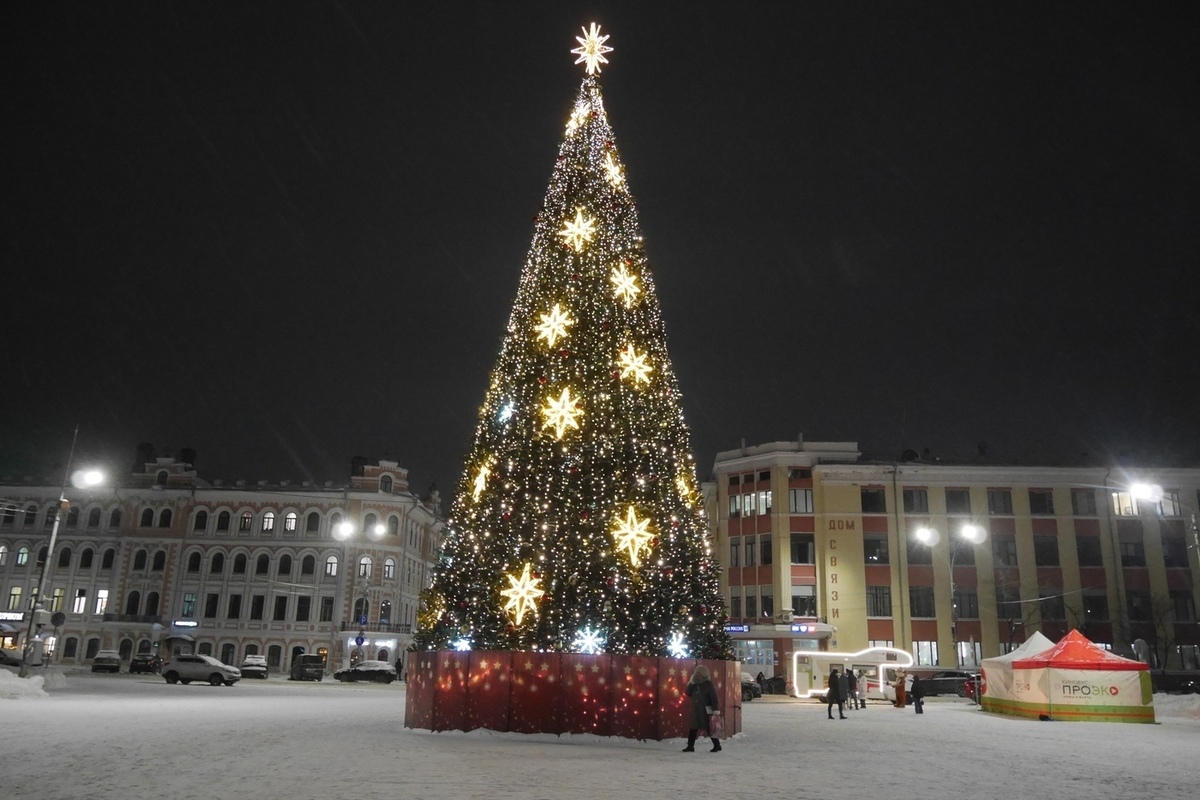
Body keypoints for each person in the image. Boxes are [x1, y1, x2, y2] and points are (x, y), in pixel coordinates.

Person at [684, 665, 722, 753]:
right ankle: (690, 746)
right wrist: (691, 683)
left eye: (698, 674)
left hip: (706, 711)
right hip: (696, 710)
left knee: (710, 728)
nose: (696, 676)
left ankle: (717, 745)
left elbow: (714, 698)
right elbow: (688, 693)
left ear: (703, 675)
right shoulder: (694, 683)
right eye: (696, 674)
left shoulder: (709, 684)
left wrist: (716, 709)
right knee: (693, 728)